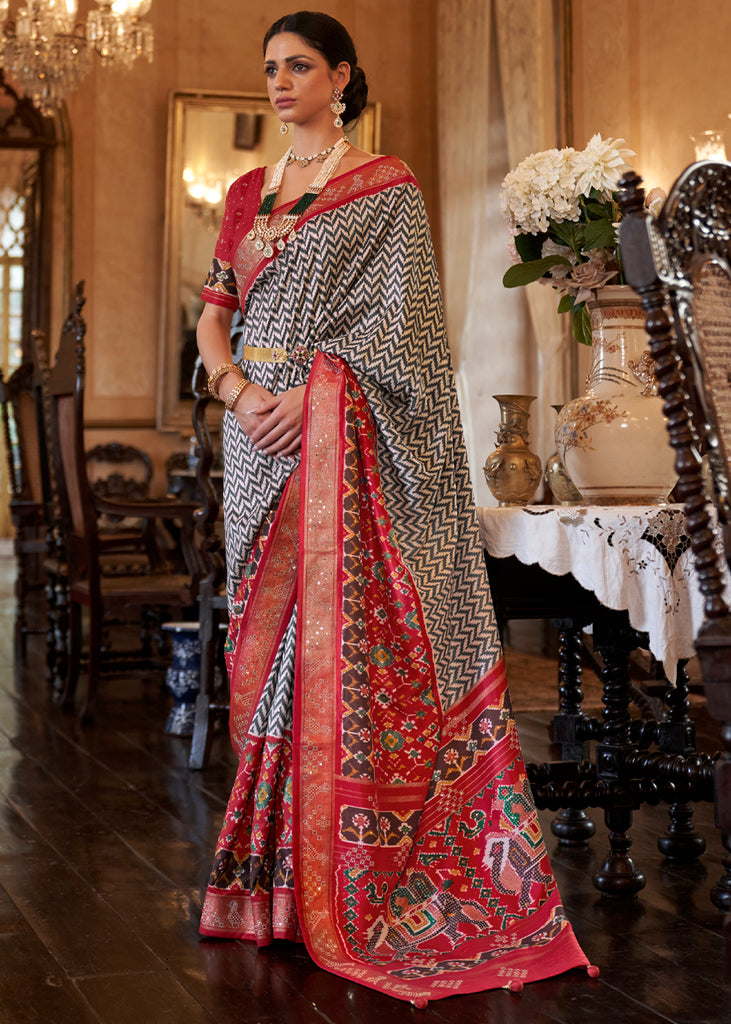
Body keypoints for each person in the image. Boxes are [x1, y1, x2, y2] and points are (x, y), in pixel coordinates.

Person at [196, 10, 589, 1006]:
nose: (279, 83)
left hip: (336, 438)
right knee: (265, 645)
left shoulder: (385, 190)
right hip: (256, 445)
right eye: (269, 69)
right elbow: (212, 319)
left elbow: (410, 347)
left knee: (319, 656)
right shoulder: (247, 193)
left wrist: (319, 395)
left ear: (340, 77)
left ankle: (331, 882)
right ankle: (269, 880)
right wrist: (241, 394)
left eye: (298, 67)